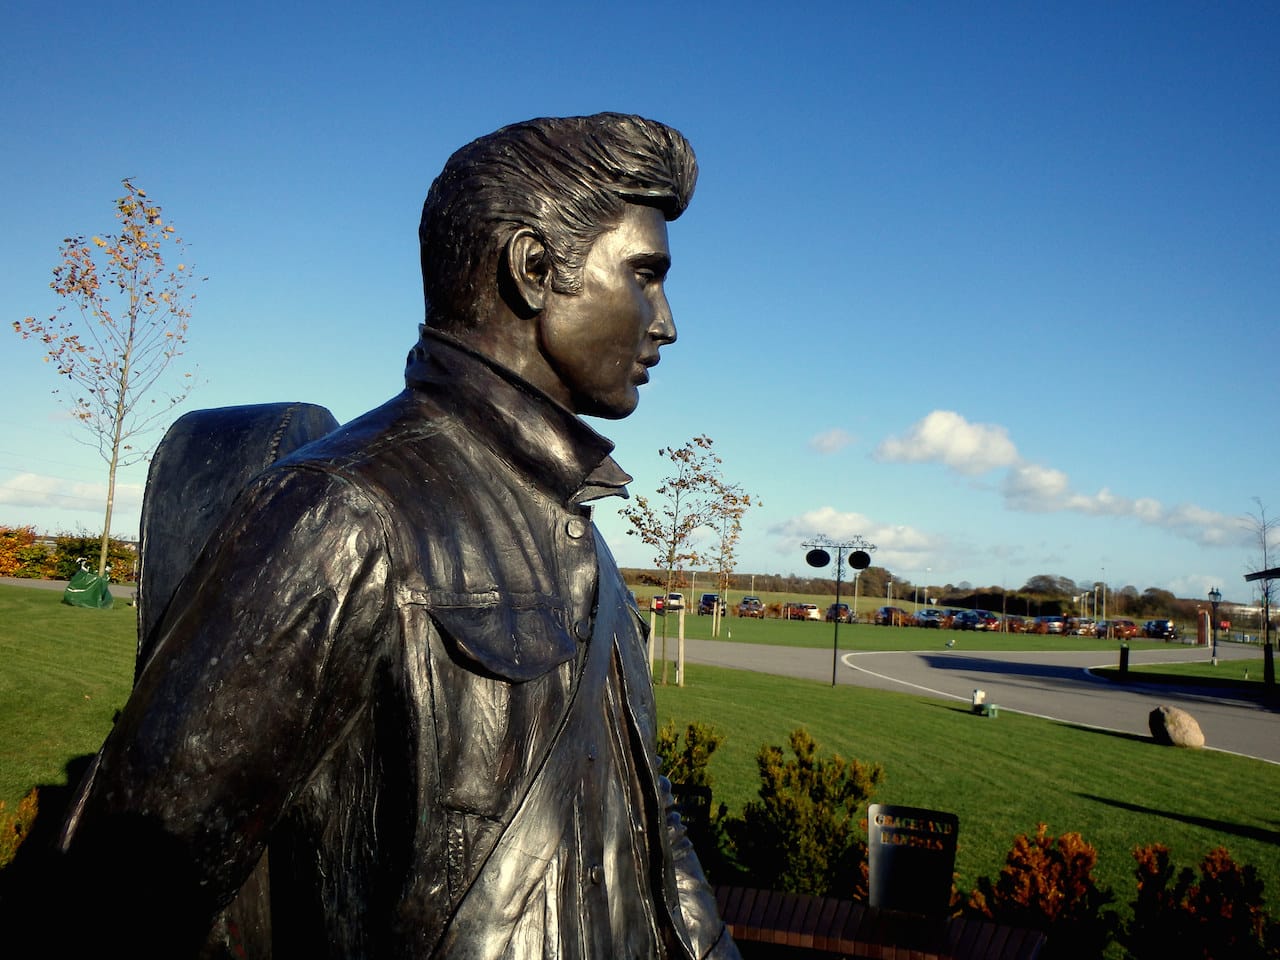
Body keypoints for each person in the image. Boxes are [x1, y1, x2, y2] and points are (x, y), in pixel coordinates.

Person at [57, 113, 740, 959]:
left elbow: (653, 825)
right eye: (646, 276)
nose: (665, 322)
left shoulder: (582, 536)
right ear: (534, 270)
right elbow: (124, 891)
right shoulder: (339, 513)